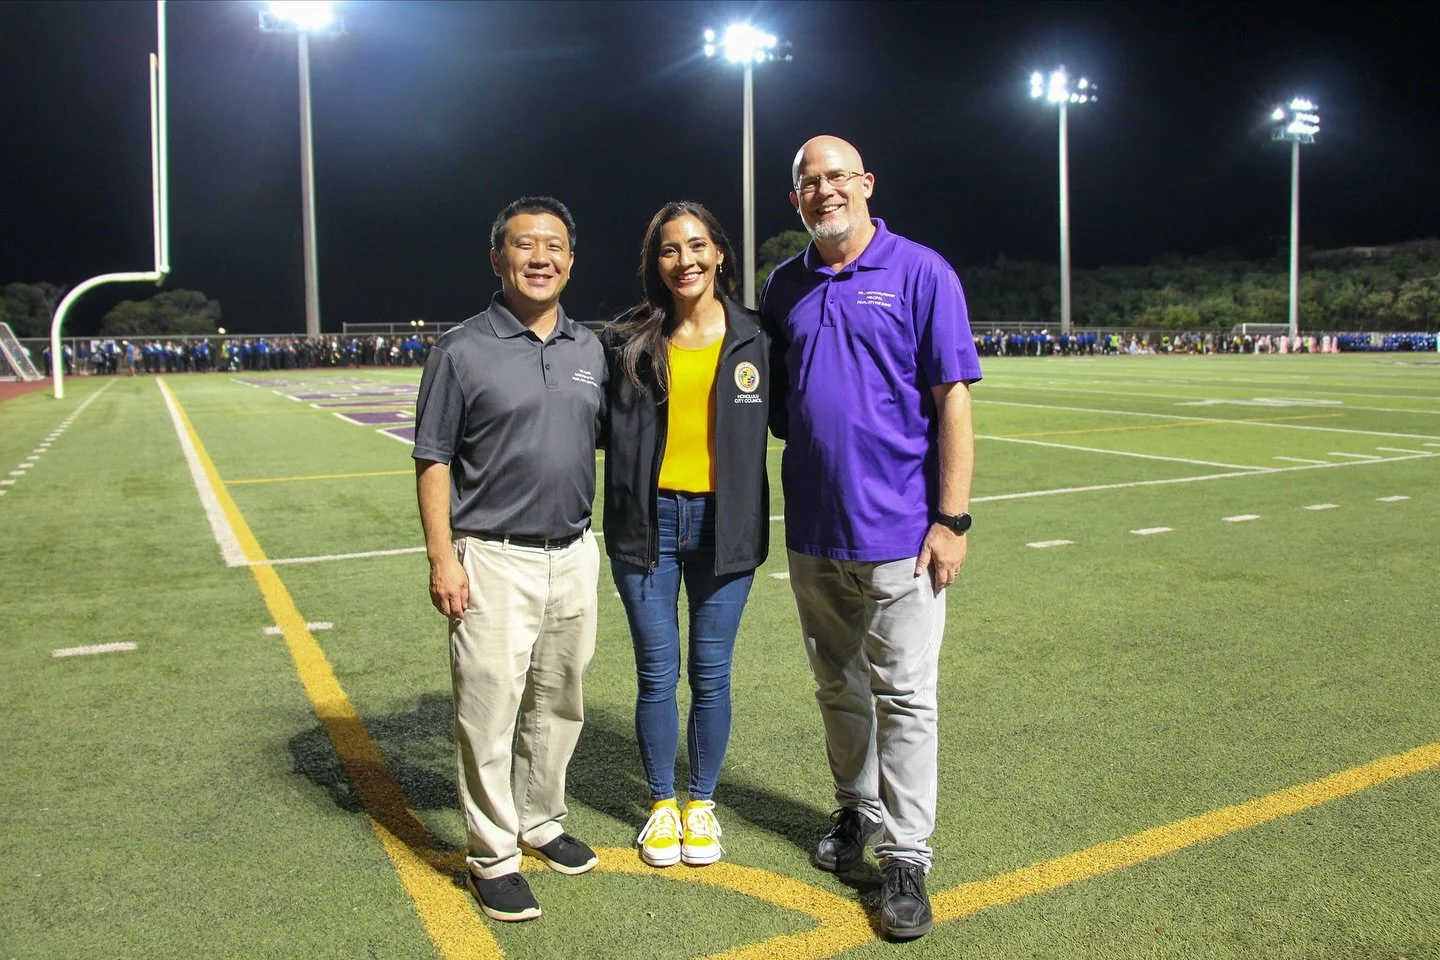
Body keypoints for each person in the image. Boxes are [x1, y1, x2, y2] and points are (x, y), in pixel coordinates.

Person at [760, 136, 982, 941]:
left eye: (836, 178)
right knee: (837, 689)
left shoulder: (922, 272)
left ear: (866, 184)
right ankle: (857, 810)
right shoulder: (782, 286)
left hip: (902, 537)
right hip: (815, 534)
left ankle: (907, 856)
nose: (824, 192)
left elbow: (952, 399)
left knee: (906, 698)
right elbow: (777, 408)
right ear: (795, 201)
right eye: (808, 183)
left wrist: (951, 519)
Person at [412, 196, 607, 923]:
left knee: (559, 702)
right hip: (491, 556)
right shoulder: (460, 349)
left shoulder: (591, 348)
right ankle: (493, 852)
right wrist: (443, 558)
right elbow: (432, 459)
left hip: (575, 550)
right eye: (524, 245)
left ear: (571, 260)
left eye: (554, 245)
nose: (540, 257)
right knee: (489, 712)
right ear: (498, 259)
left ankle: (540, 819)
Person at [601, 202, 772, 868]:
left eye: (697, 246)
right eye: (670, 250)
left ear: (720, 253)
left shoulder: (758, 337)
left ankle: (701, 806)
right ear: (656, 262)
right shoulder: (626, 340)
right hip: (647, 526)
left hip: (725, 525)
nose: (685, 260)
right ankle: (660, 805)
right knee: (656, 674)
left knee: (711, 674)